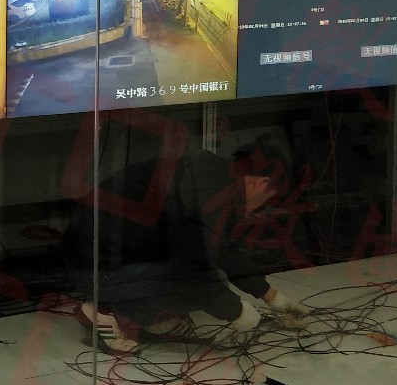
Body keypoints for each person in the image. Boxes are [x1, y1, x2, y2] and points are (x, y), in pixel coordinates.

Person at [63, 134, 308, 355]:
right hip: (95, 270)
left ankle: (148, 315)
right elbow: (194, 273)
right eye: (267, 199)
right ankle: (109, 313)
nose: (262, 207)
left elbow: (218, 250)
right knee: (209, 282)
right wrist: (238, 312)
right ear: (261, 184)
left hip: (105, 259)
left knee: (210, 278)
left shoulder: (214, 177)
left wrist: (271, 296)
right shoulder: (207, 191)